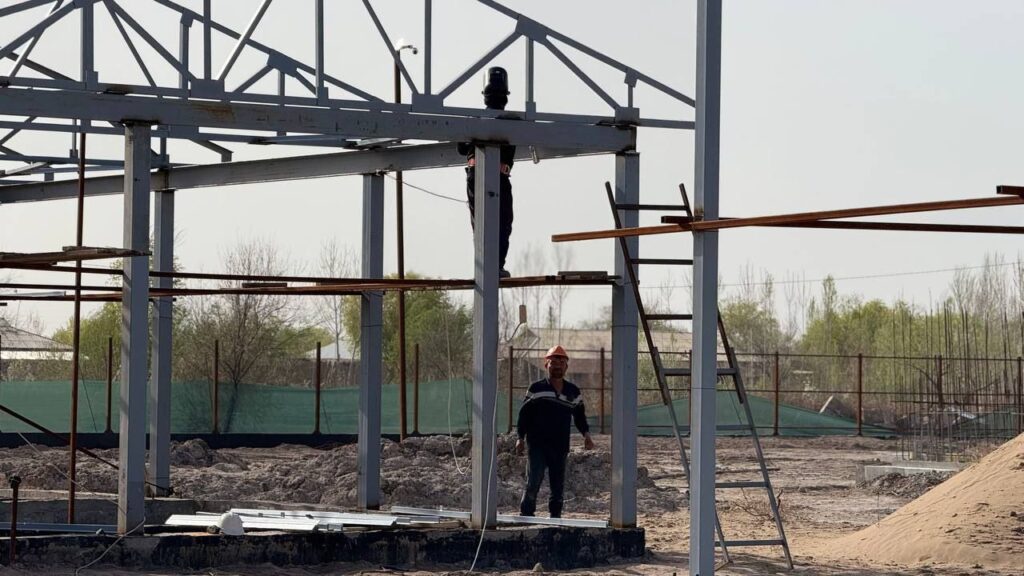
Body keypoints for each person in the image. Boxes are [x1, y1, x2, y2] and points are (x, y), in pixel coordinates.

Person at [515, 345, 595, 518]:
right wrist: (520, 438)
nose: (557, 366)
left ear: (566, 367)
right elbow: (524, 415)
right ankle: (526, 514)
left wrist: (586, 435)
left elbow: (579, 416)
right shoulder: (536, 389)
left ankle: (555, 517)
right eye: (553, 363)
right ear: (547, 366)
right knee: (533, 481)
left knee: (557, 485)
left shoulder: (573, 391)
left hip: (560, 446)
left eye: (561, 363)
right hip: (537, 445)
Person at [458, 66, 515, 278]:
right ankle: (493, 266)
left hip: (478, 174)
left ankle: (487, 265)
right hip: (496, 175)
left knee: (483, 222)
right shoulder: (513, 122)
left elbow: (461, 147)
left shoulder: (475, 121)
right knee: (501, 222)